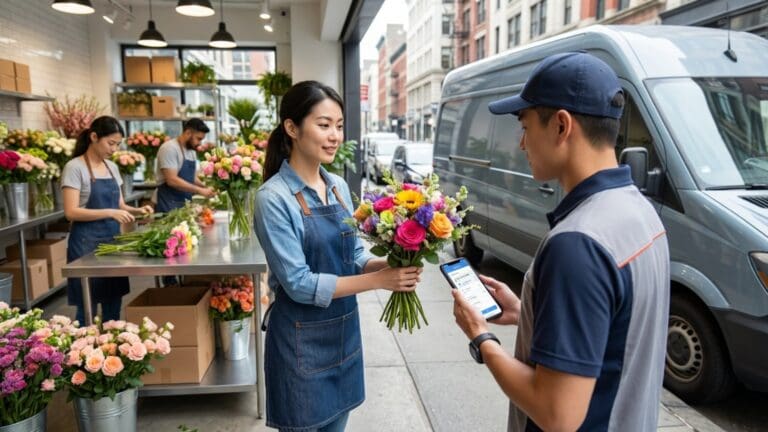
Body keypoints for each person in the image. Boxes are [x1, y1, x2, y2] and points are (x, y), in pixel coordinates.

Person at [451, 52, 670, 431]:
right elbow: (617, 331)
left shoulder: (577, 244)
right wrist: (530, 315)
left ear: (561, 126)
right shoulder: (640, 211)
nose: (521, 143)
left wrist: (480, 336)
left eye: (525, 125)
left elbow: (557, 414)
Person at [254, 81, 423, 432]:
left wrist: (388, 266)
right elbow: (299, 284)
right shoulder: (274, 198)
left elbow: (355, 252)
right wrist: (377, 281)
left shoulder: (338, 187)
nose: (334, 136)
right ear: (292, 128)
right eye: (323, 124)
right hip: (300, 345)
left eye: (339, 125)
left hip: (344, 336)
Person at [62, 116, 153, 324]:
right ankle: (85, 354)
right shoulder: (75, 168)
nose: (114, 149)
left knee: (113, 305)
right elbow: (71, 212)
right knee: (87, 310)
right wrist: (109, 212)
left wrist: (138, 211)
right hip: (85, 245)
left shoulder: (112, 167)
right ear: (94, 137)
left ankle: (112, 352)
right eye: (110, 143)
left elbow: (120, 205)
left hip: (112, 244)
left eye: (118, 144)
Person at [154, 117, 215, 213]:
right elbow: (172, 180)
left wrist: (205, 187)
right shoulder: (169, 148)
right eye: (198, 139)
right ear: (188, 133)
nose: (199, 143)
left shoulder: (191, 151)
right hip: (168, 204)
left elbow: (192, 178)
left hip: (184, 203)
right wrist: (200, 190)